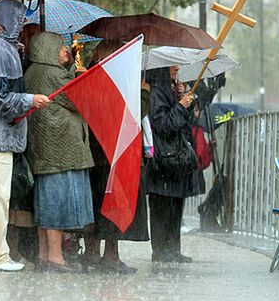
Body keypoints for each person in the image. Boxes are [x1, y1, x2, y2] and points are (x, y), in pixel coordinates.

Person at [0, 0, 50, 272]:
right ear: (10, 19)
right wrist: (30, 99)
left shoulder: (1, 48)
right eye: (19, 18)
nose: (23, 23)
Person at [24, 32, 94, 273]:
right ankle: (55, 257)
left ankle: (44, 254)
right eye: (61, 46)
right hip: (60, 150)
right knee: (56, 204)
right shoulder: (53, 74)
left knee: (45, 203)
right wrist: (81, 76)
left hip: (45, 149)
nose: (66, 50)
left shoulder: (34, 72)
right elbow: (79, 100)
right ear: (46, 49)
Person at [82, 41, 149, 274]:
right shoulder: (113, 82)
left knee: (98, 207)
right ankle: (110, 256)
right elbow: (133, 112)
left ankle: (93, 253)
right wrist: (143, 93)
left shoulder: (90, 77)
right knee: (112, 208)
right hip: (113, 157)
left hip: (97, 155)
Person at [145, 66, 205, 264]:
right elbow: (163, 124)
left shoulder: (173, 88)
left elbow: (182, 126)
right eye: (173, 65)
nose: (177, 68)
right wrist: (180, 105)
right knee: (162, 205)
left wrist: (185, 103)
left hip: (177, 158)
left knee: (175, 204)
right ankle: (161, 251)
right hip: (163, 159)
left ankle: (173, 249)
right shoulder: (157, 91)